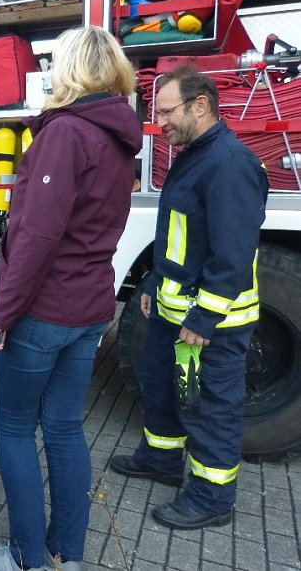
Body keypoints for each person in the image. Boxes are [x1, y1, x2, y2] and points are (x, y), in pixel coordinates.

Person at [0, 26, 142, 571]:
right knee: (67, 428)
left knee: (16, 428)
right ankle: (66, 554)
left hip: (45, 310)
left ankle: (26, 555)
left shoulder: (66, 132)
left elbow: (37, 237)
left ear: (68, 69)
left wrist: (1, 315)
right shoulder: (120, 136)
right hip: (91, 306)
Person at [109, 66, 268, 530]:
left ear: (201, 105)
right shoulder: (196, 155)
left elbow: (232, 257)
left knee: (208, 407)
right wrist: (155, 285)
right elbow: (181, 239)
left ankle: (212, 497)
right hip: (171, 311)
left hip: (209, 325)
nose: (160, 124)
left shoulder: (230, 164)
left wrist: (202, 319)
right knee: (161, 390)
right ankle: (160, 460)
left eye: (167, 111)